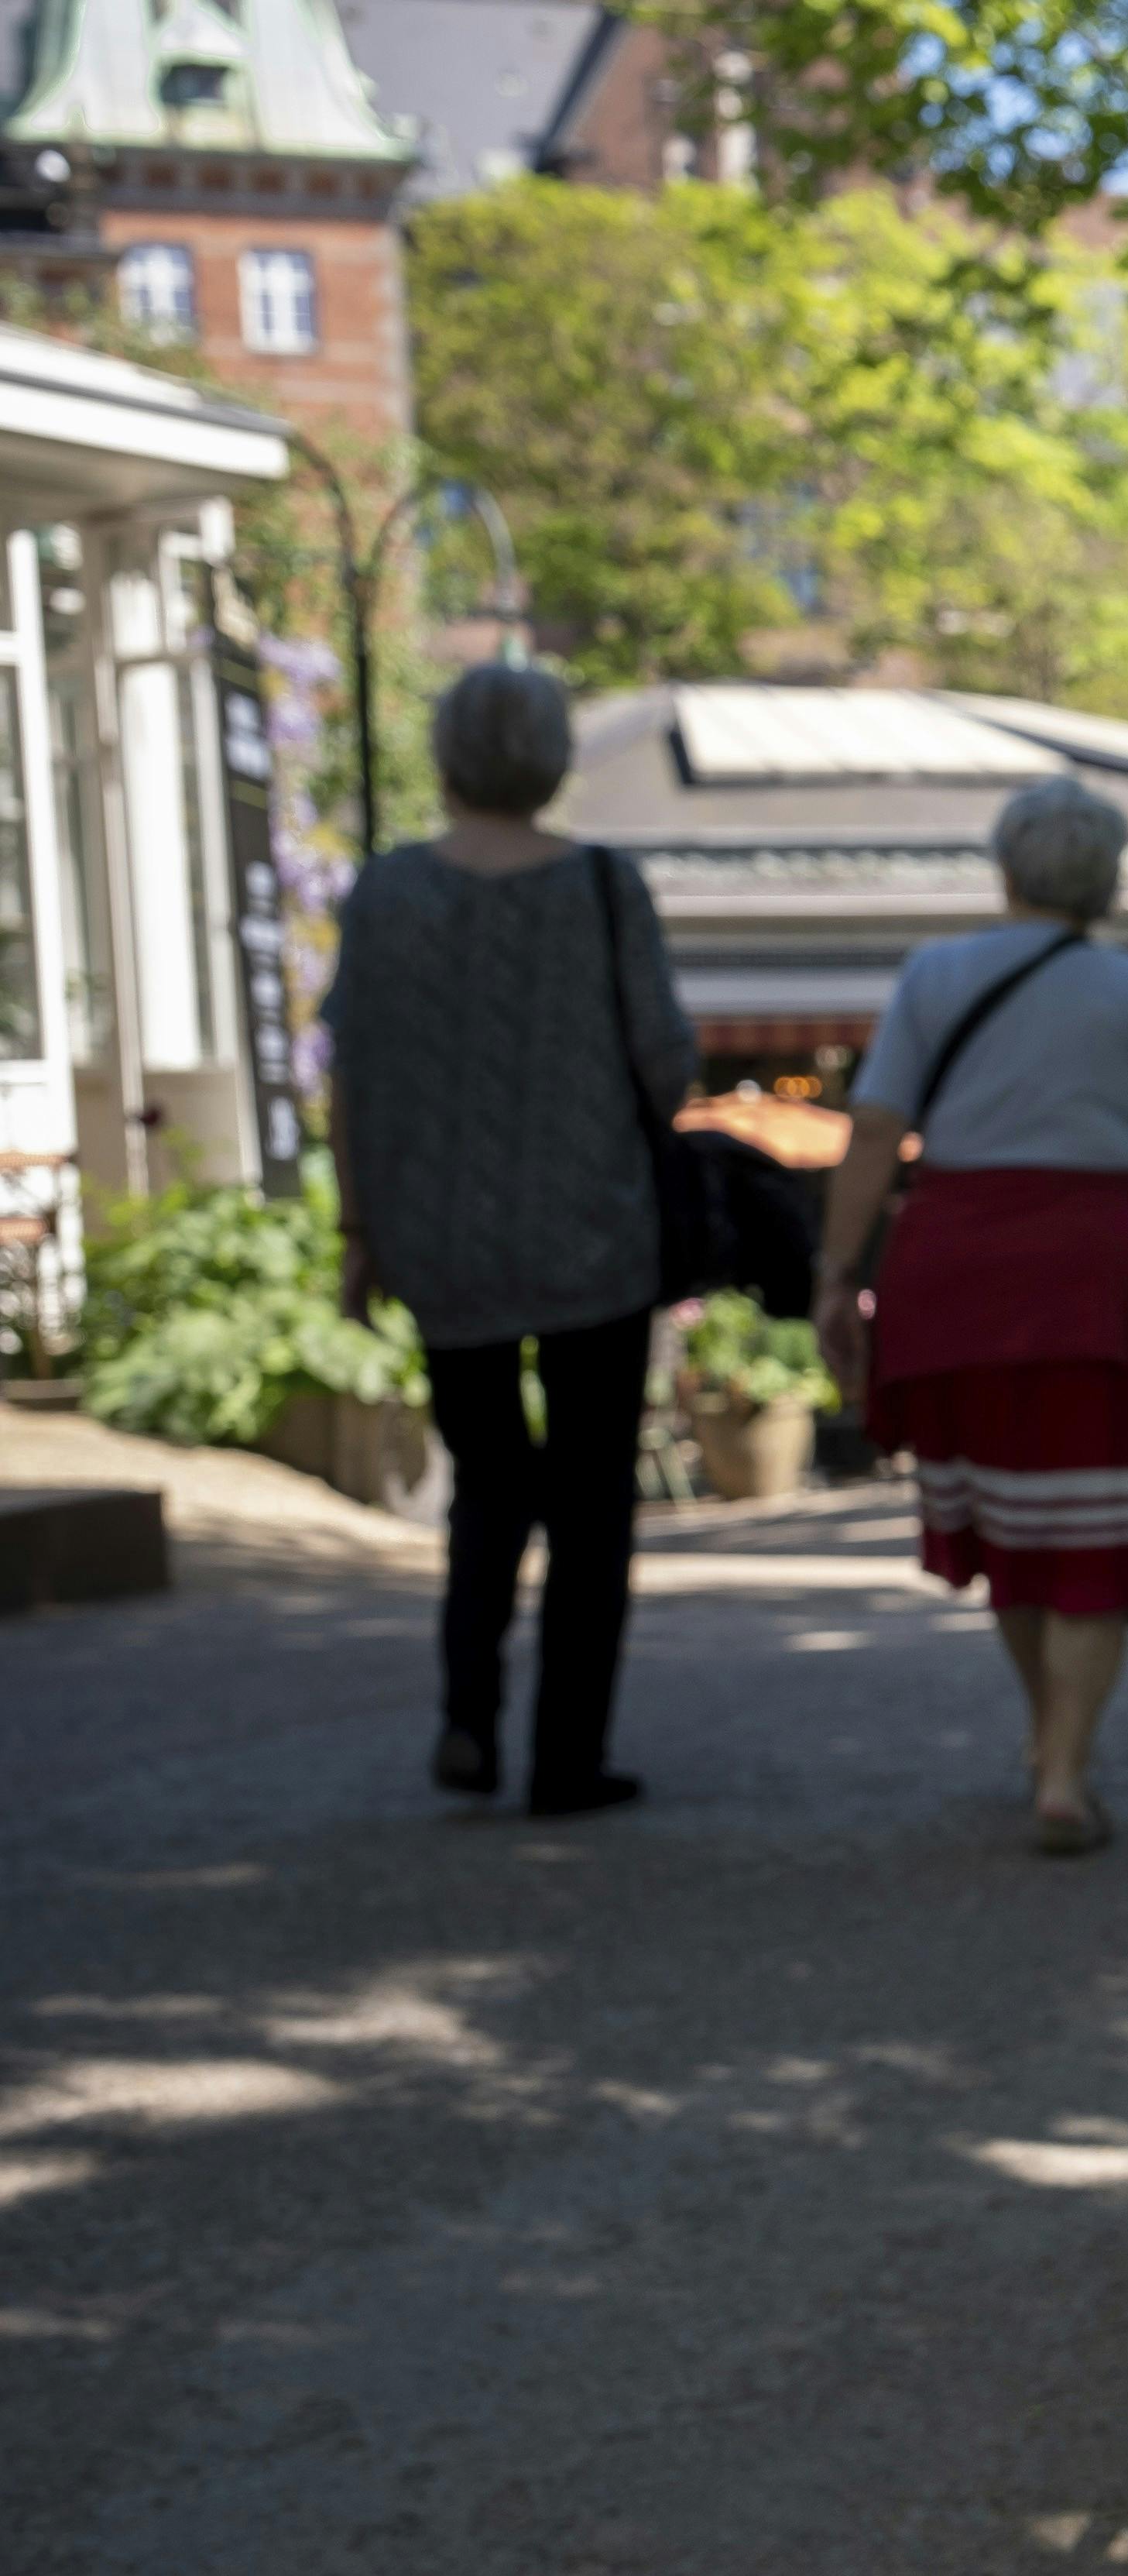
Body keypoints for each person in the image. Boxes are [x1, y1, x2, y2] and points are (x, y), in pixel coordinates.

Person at [811, 779, 1128, 1854]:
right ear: (1105, 882)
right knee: (1094, 1528)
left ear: (1006, 870)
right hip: (1092, 1275)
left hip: (955, 1274)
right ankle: (1062, 1768)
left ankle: (1047, 1744)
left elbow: (875, 1133)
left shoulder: (934, 974)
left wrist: (836, 1274)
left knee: (1014, 1524)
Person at [327, 663, 689, 1819]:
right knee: (592, 1500)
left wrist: (360, 1230)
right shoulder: (600, 886)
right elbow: (666, 1062)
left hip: (442, 1239)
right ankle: (565, 1757)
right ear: (551, 760)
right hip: (593, 1234)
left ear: (442, 757)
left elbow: (353, 1081)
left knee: (487, 1479)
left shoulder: (383, 896)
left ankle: (467, 1716)